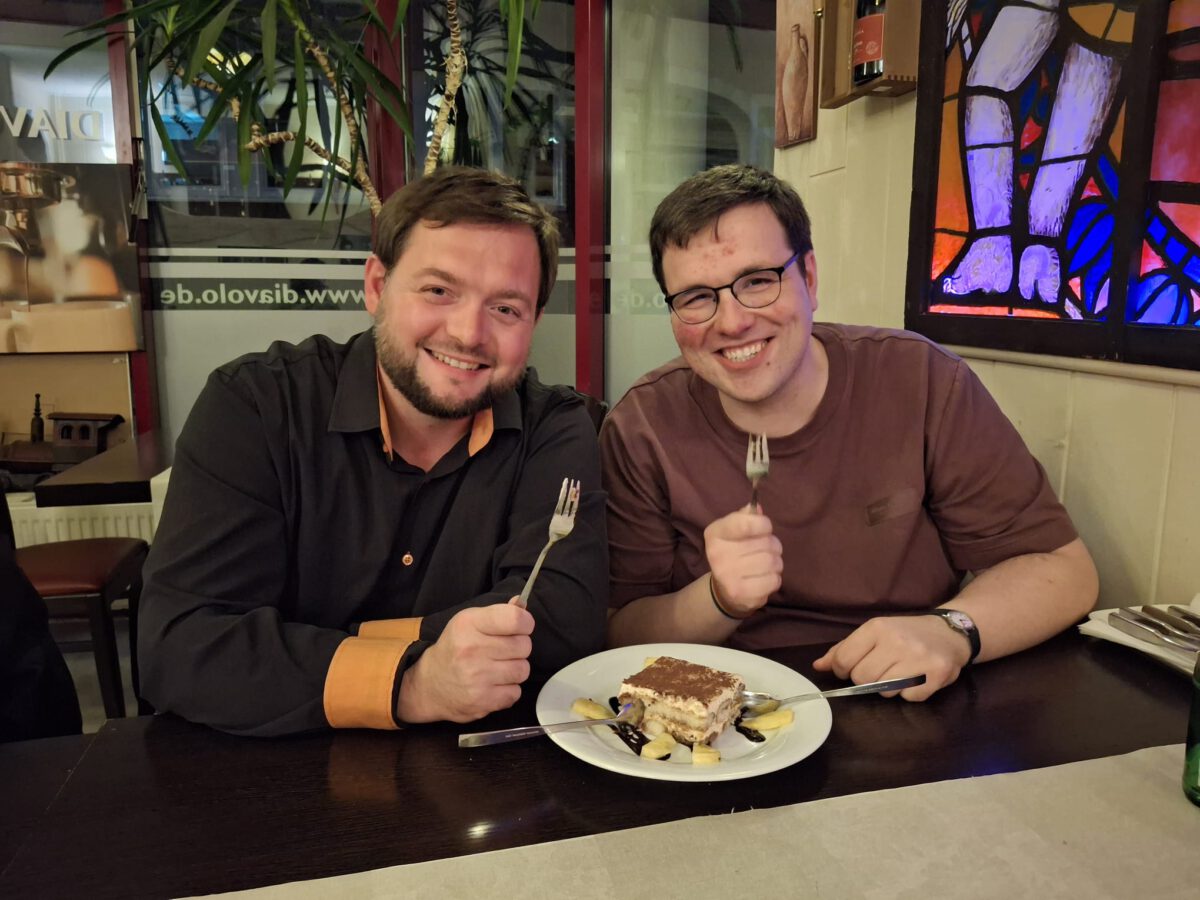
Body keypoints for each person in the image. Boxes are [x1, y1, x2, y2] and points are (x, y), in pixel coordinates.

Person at [139, 167, 608, 736]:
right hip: (264, 781)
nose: (468, 333)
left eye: (506, 308)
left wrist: (323, 644)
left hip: (478, 788)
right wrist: (410, 682)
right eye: (439, 290)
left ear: (533, 322)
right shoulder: (258, 407)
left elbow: (563, 626)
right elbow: (183, 645)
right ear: (377, 287)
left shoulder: (555, 428)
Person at [602, 164, 1097, 700]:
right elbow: (620, 631)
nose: (732, 322)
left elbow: (1064, 572)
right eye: (697, 296)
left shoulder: (922, 382)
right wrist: (718, 598)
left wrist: (953, 630)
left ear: (809, 278)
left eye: (758, 281)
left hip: (903, 698)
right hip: (718, 722)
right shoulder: (642, 426)